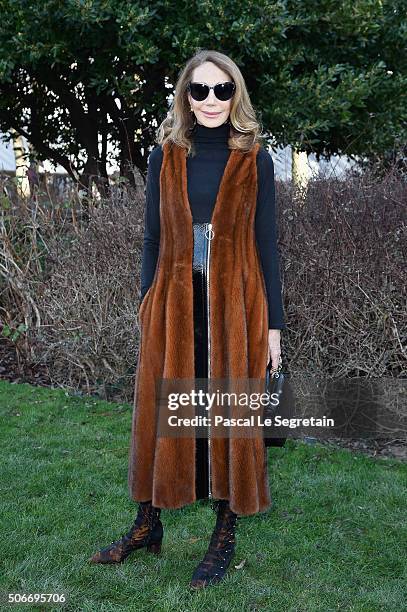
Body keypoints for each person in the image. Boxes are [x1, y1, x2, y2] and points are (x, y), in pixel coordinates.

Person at [89, 49, 286, 589]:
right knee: (162, 410)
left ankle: (224, 533)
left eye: (223, 90)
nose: (212, 101)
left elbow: (266, 243)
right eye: (200, 90)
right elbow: (153, 235)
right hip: (174, 300)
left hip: (235, 303)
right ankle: (146, 525)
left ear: (236, 95)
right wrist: (146, 297)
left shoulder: (254, 158)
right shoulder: (166, 156)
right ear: (185, 97)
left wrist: (275, 327)